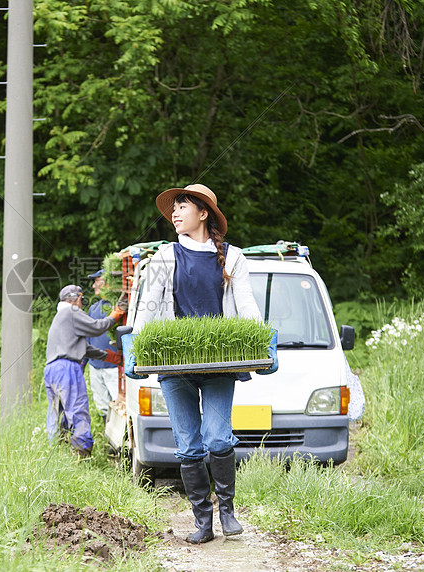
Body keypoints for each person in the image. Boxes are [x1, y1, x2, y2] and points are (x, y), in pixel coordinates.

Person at [121, 183, 278, 544]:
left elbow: (248, 305)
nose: (174, 214)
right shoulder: (163, 257)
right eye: (172, 208)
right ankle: (202, 522)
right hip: (176, 369)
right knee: (189, 445)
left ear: (203, 213)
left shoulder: (233, 258)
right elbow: (146, 309)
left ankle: (228, 511)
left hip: (220, 366)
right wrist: (136, 348)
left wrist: (264, 340)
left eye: (182, 206)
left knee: (218, 438)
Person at [44, 284, 125, 457]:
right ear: (78, 298)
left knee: (57, 413)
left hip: (52, 369)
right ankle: (82, 454)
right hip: (66, 367)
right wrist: (115, 315)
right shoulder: (72, 312)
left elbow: (82, 347)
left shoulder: (60, 317)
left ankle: (56, 454)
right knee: (77, 408)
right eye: (81, 299)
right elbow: (97, 327)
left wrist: (106, 356)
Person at [85, 270, 120, 418]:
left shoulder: (117, 306)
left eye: (96, 281)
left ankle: (122, 439)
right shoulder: (94, 308)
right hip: (95, 366)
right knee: (102, 405)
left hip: (113, 368)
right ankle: (107, 436)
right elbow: (87, 336)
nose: (93, 286)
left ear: (107, 283)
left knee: (118, 406)